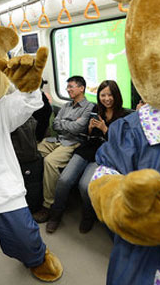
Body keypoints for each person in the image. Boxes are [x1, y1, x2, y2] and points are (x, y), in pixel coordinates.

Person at [46, 80, 128, 233]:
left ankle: (88, 215)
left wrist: (105, 129)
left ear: (116, 95)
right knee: (64, 180)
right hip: (87, 148)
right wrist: (90, 129)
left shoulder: (123, 116)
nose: (107, 98)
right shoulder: (97, 110)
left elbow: (119, 143)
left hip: (103, 153)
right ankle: (55, 214)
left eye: (110, 95)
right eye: (103, 95)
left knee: (84, 185)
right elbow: (90, 136)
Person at [32, 75, 94, 223]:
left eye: (71, 86)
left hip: (73, 143)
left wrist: (66, 124)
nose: (68, 90)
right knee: (34, 153)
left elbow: (79, 128)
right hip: (58, 139)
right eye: (67, 87)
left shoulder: (89, 107)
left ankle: (49, 205)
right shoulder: (66, 106)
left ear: (81, 88)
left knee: (50, 162)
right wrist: (70, 123)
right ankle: (35, 194)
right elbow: (55, 125)